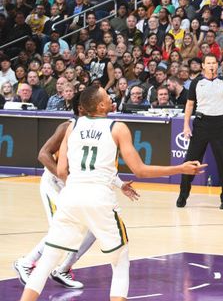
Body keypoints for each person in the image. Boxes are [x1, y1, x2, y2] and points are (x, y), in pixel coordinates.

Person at [19, 85, 205, 301]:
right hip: (99, 199)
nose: (111, 98)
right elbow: (140, 170)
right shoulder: (117, 127)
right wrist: (180, 169)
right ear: (100, 105)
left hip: (70, 196)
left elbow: (61, 171)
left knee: (48, 260)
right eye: (107, 96)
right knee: (120, 262)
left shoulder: (73, 126)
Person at [13, 93, 139, 290]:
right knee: (60, 229)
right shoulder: (68, 127)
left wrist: (120, 184)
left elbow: (99, 168)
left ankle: (64, 267)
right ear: (83, 108)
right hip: (55, 183)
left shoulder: (100, 130)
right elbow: (43, 154)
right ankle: (26, 262)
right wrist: (65, 178)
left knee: (93, 230)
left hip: (78, 186)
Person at [177, 54, 223, 210]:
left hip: (220, 124)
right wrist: (186, 126)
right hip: (201, 125)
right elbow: (189, 105)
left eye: (214, 63)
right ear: (203, 66)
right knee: (190, 161)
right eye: (208, 63)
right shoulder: (196, 82)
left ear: (217, 65)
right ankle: (183, 195)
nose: (211, 65)